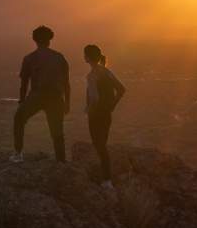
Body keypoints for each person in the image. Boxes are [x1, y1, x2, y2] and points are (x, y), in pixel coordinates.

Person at [11, 25, 70, 163]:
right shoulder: (59, 57)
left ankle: (18, 153)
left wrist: (22, 100)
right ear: (49, 40)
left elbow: (24, 83)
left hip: (37, 96)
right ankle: (61, 162)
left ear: (34, 40)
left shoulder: (30, 58)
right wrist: (67, 103)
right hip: (56, 97)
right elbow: (67, 83)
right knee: (57, 133)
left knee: (19, 119)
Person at [84, 44, 126, 189]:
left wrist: (88, 109)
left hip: (96, 115)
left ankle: (107, 180)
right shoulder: (107, 72)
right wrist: (112, 105)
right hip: (107, 113)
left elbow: (94, 97)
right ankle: (106, 178)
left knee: (99, 145)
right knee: (102, 145)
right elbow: (121, 89)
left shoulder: (92, 75)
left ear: (87, 57)